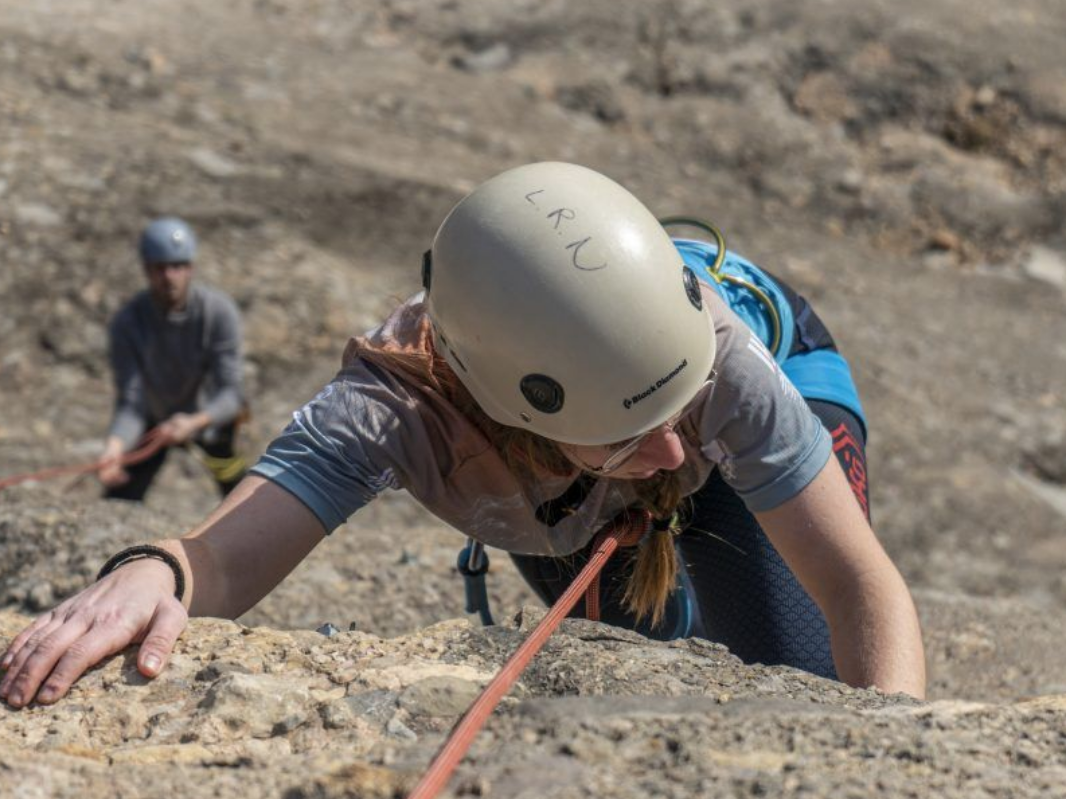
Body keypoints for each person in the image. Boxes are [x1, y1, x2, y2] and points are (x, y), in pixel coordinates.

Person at [1, 163, 925, 708]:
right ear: (515, 411)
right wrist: (152, 572)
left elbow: (855, 582)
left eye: (667, 421)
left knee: (793, 670)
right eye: (631, 437)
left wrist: (891, 760)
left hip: (768, 372)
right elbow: (225, 560)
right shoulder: (394, 405)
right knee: (642, 651)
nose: (670, 456)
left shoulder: (716, 361)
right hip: (545, 495)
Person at [97, 217, 248, 500]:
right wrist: (115, 447)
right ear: (146, 269)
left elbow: (231, 394)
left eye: (177, 266)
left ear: (190, 268)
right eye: (160, 267)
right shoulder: (127, 323)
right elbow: (132, 403)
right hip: (155, 424)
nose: (169, 276)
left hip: (209, 420)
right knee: (120, 494)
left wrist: (194, 422)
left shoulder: (218, 313)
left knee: (239, 497)